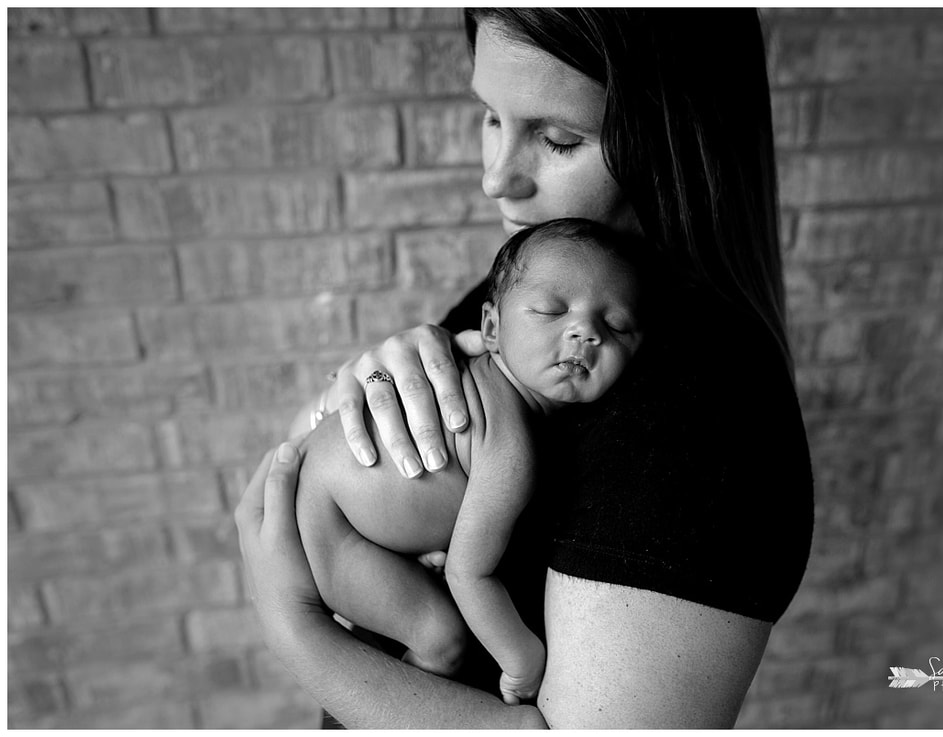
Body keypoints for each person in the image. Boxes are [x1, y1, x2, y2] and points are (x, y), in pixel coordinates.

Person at [237, 8, 814, 728]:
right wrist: (362, 388)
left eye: (557, 138)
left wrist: (298, 633)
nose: (495, 178)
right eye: (490, 117)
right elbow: (315, 459)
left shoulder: (705, 407)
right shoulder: (523, 288)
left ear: (671, 138)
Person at [294, 217, 647, 705]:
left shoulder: (493, 398)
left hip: (329, 492)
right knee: (442, 641)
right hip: (330, 520)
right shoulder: (510, 444)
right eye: (550, 310)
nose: (585, 332)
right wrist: (523, 662)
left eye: (615, 325)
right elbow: (468, 573)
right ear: (491, 329)